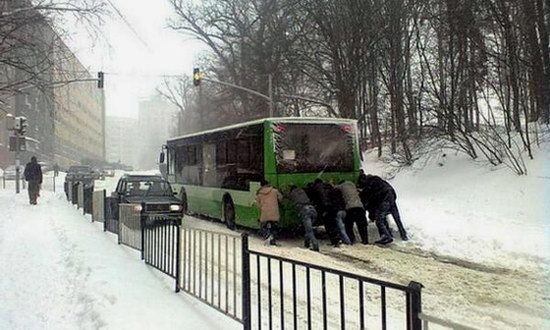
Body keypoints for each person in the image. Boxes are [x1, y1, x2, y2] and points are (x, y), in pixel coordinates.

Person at [358, 174, 408, 245]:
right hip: (391, 196)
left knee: (379, 220)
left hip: (383, 198)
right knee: (397, 218)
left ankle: (387, 236)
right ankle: (403, 235)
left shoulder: (369, 183)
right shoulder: (378, 180)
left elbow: (367, 197)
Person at [308, 179, 351, 246]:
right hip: (333, 207)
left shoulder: (316, 188)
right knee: (334, 223)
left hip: (325, 207)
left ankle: (335, 241)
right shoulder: (327, 187)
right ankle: (339, 239)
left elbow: (313, 196)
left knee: (328, 225)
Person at [288, 185, 320, 251]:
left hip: (305, 211)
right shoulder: (302, 191)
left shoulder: (292, 193)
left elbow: (289, 200)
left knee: (309, 230)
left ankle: (315, 245)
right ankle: (307, 243)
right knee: (308, 228)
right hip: (313, 209)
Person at [256, 179, 283, 246]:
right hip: (274, 212)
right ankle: (273, 239)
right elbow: (280, 198)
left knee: (263, 226)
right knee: (274, 227)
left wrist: (262, 207)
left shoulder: (259, 193)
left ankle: (267, 236)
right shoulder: (274, 191)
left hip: (265, 212)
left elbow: (258, 203)